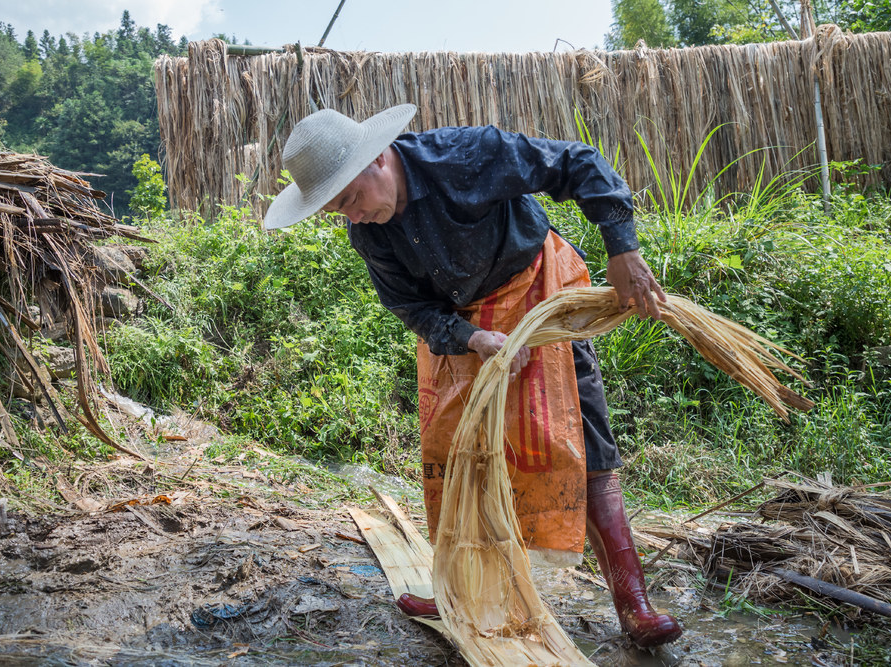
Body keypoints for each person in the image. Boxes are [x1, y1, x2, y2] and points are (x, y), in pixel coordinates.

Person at [263, 103, 683, 647]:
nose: (352, 216)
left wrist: (622, 249)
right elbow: (412, 309)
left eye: (350, 199)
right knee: (457, 450)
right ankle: (457, 589)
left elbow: (577, 162)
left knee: (580, 438)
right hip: (468, 329)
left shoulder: (467, 156)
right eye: (336, 211)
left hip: (538, 295)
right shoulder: (370, 236)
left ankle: (634, 605)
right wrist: (472, 339)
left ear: (378, 159)